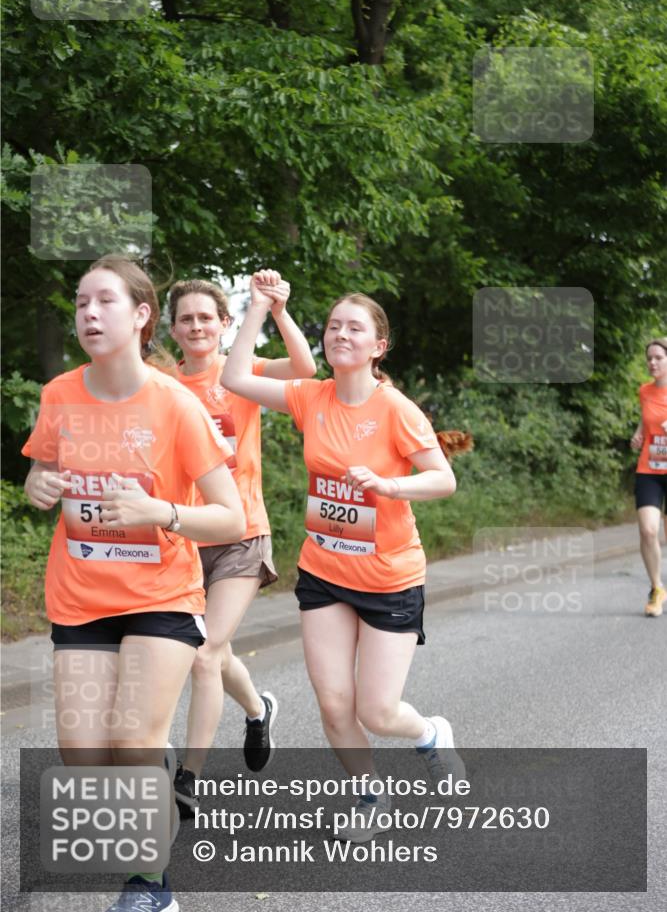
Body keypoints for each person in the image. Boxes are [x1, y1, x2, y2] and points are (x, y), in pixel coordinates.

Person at [23, 254, 245, 912]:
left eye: (105, 302)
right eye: (81, 303)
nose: (89, 314)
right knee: (84, 759)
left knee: (134, 741)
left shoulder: (174, 403)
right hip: (81, 597)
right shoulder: (60, 394)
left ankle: (151, 888)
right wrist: (38, 485)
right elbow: (40, 471)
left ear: (142, 315)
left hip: (161, 596)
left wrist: (161, 512)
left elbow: (230, 517)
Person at [222, 272, 464, 842]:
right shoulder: (312, 396)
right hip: (324, 571)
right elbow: (234, 378)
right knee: (334, 705)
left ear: (379, 345)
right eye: (333, 326)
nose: (340, 335)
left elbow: (443, 478)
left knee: (378, 712)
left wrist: (389, 486)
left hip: (389, 577)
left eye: (354, 328)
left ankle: (430, 734)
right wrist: (262, 308)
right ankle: (371, 796)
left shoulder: (396, 409)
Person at [167, 276, 316, 812]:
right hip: (183, 536)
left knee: (204, 653)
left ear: (224, 324)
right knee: (216, 647)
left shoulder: (243, 369)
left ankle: (188, 777)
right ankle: (258, 710)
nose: (197, 326)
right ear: (173, 329)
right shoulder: (161, 383)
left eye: (206, 317)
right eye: (186, 319)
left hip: (241, 534)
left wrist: (275, 310)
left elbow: (304, 369)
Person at [630, 337, 667, 617]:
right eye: (649, 358)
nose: (652, 363)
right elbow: (645, 420)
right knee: (648, 530)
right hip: (649, 469)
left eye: (658, 358)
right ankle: (656, 589)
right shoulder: (644, 391)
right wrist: (638, 434)